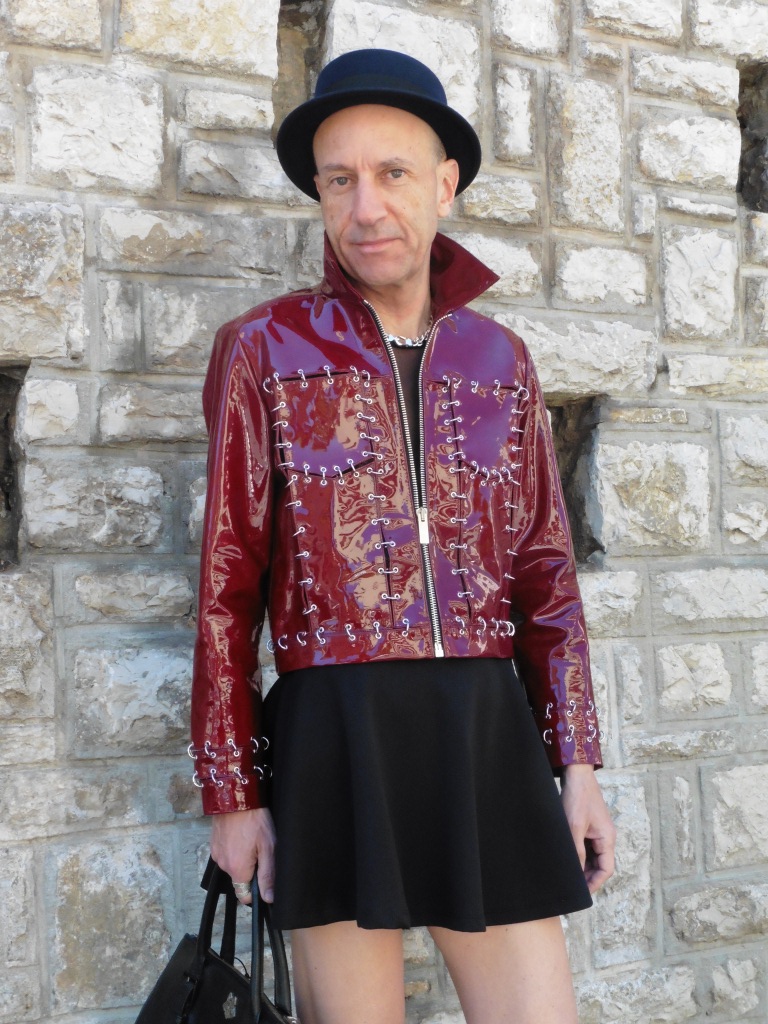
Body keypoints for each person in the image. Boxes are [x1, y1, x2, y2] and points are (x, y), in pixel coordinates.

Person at [190, 48, 616, 1024]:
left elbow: (546, 577)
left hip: (486, 728)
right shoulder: (262, 348)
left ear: (445, 184)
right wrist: (233, 794)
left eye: (392, 173)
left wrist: (579, 767)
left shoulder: (500, 358)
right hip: (333, 736)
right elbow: (225, 585)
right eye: (339, 180)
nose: (366, 207)